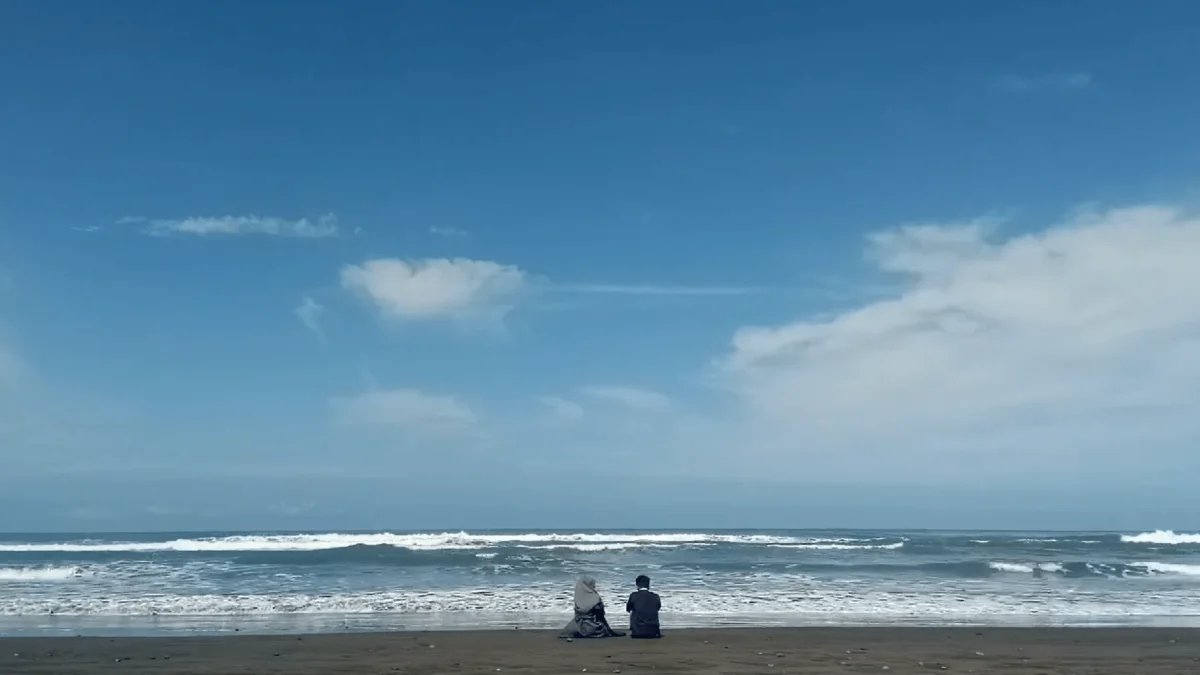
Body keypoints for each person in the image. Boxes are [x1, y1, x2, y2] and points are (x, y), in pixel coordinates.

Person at [559, 577, 625, 639]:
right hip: (594, 629)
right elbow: (601, 616)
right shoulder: (594, 598)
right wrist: (610, 631)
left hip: (578, 627)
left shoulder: (578, 598)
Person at [626, 574, 662, 639]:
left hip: (637, 633)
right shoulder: (655, 596)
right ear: (648, 585)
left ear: (637, 585)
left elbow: (628, 609)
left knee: (633, 611)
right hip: (653, 633)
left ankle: (634, 629)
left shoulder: (634, 595)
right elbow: (658, 608)